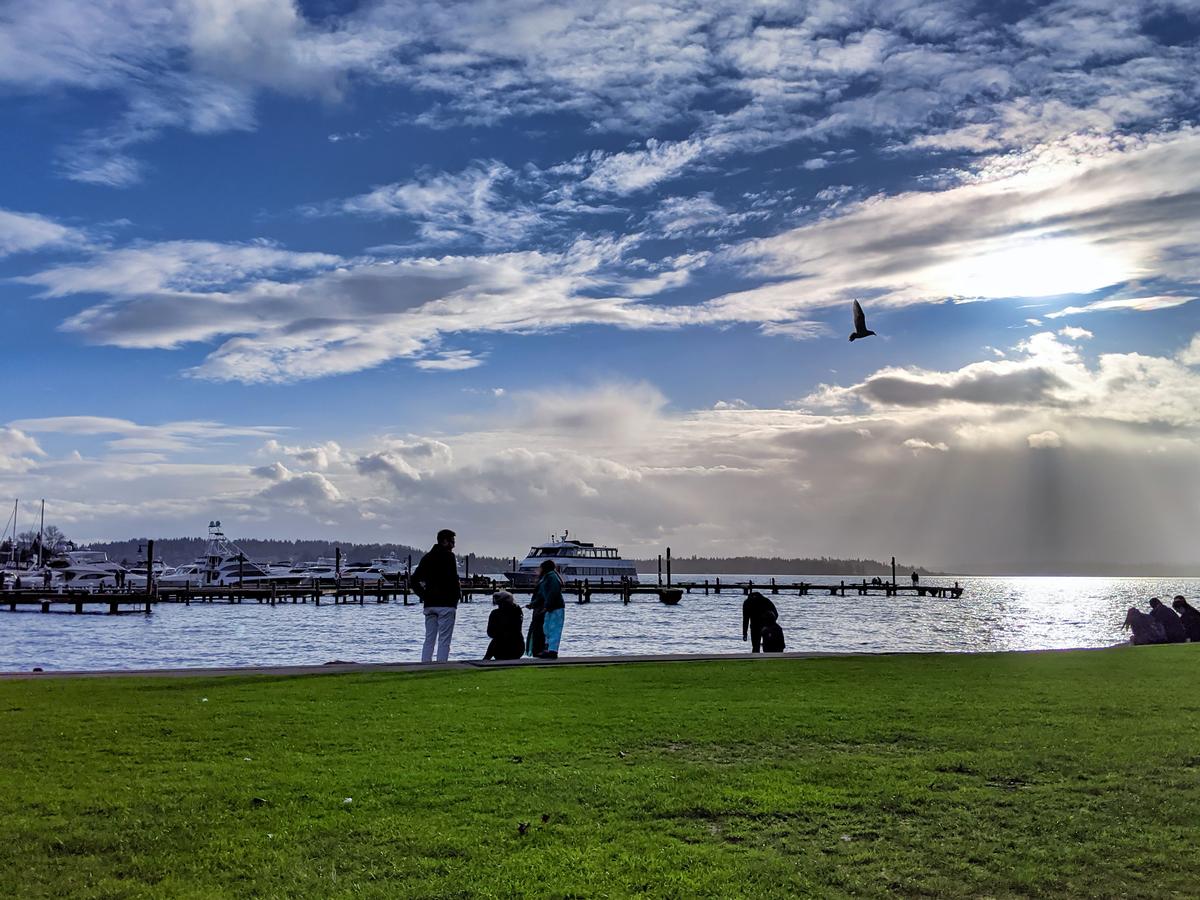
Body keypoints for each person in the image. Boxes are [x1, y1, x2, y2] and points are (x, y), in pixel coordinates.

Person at [411, 529, 461, 663]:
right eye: (452, 542)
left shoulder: (427, 557)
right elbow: (453, 579)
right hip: (446, 603)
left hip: (430, 604)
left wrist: (424, 595)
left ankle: (425, 663)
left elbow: (414, 580)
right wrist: (456, 596)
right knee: (444, 639)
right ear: (445, 541)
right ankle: (441, 665)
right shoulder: (449, 557)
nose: (453, 545)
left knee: (429, 638)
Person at [531, 560, 564, 659]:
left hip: (556, 607)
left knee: (554, 629)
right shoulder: (548, 577)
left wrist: (547, 606)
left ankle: (552, 651)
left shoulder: (551, 577)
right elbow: (543, 594)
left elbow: (553, 593)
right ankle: (548, 649)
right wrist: (533, 604)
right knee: (547, 628)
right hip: (551, 607)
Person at [484, 591, 525, 661]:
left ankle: (486, 659)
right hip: (518, 649)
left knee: (497, 640)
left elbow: (490, 633)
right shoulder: (517, 612)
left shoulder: (495, 613)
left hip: (500, 649)